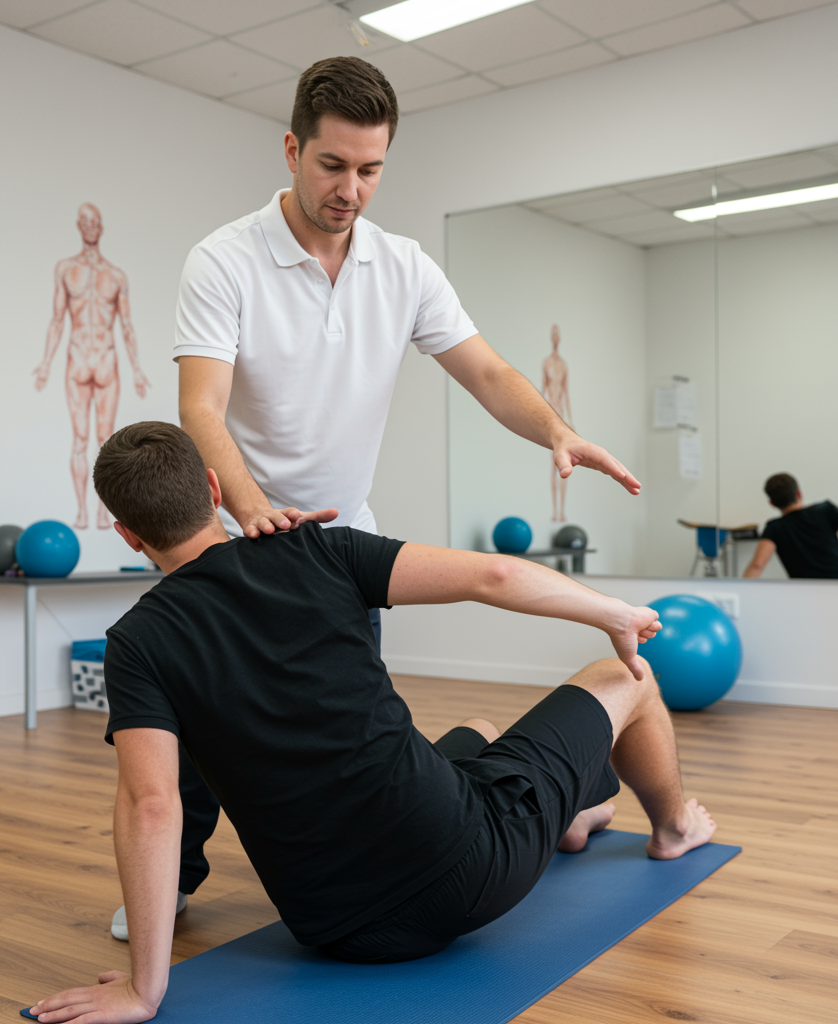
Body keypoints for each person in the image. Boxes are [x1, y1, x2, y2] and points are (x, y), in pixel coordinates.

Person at [163, 54, 643, 945]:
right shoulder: (224, 260)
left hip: (346, 548)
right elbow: (201, 407)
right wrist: (254, 508)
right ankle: (173, 884)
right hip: (241, 537)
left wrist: (556, 430)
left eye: (370, 169)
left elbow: (488, 371)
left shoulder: (402, 266)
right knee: (205, 728)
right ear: (292, 150)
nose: (350, 189)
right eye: (332, 165)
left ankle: (383, 860)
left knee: (355, 728)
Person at [28, 422, 716, 1024]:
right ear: (214, 488)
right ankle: (673, 830)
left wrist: (145, 990)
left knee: (477, 728)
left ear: (127, 533)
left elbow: (151, 804)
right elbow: (496, 578)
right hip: (470, 875)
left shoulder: (135, 643)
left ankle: (569, 816)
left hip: (336, 929)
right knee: (625, 678)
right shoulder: (318, 549)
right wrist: (614, 614)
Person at [33, 203, 151, 530]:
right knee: (80, 439)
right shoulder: (65, 269)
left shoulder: (116, 275)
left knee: (106, 441)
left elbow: (127, 325)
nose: (89, 227)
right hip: (78, 358)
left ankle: (102, 510)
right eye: (84, 222)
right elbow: (57, 320)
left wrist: (137, 369)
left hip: (106, 359)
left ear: (100, 227)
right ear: (78, 226)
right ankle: (83, 511)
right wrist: (45, 363)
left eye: (94, 222)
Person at [743, 473, 838, 578]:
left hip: (804, 587)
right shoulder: (826, 510)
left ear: (772, 503)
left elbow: (757, 565)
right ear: (799, 493)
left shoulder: (774, 528)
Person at [541, 324, 574, 522]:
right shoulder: (546, 363)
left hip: (561, 416)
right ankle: (555, 511)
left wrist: (570, 422)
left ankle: (562, 512)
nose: (555, 338)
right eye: (552, 334)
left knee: (564, 466)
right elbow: (542, 390)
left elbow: (566, 394)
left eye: (557, 335)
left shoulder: (563, 365)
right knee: (553, 465)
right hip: (549, 416)